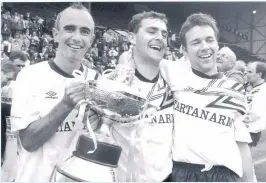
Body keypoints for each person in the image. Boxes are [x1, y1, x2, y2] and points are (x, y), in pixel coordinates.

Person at [10, 3, 100, 182]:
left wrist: (97, 123)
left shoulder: (96, 78)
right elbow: (28, 141)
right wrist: (66, 104)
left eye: (84, 31)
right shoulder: (30, 75)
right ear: (55, 34)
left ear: (91, 39)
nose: (76, 37)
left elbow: (95, 137)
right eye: (69, 29)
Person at [160, 13, 254, 182]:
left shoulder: (235, 89)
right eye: (196, 42)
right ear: (184, 50)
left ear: (217, 45)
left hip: (223, 175)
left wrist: (251, 180)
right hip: (182, 174)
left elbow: (241, 142)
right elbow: (137, 58)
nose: (205, 46)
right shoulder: (172, 74)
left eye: (209, 40)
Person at [104, 11, 174, 182]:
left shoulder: (175, 80)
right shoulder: (110, 85)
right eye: (151, 31)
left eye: (164, 34)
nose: (160, 37)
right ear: (132, 38)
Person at [244, 61, 266, 147]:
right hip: (246, 128)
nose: (246, 74)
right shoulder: (253, 88)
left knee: (244, 157)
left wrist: (240, 119)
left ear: (259, 74)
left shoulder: (263, 90)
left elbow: (256, 113)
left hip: (251, 129)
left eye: (250, 72)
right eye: (246, 72)